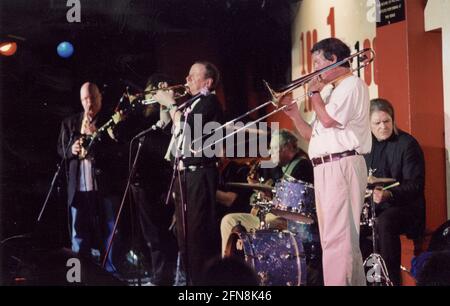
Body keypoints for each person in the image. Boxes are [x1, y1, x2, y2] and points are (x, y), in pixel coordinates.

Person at [284, 38, 371, 285]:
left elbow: (330, 120)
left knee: (338, 239)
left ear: (334, 59)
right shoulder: (333, 90)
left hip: (341, 164)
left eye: (318, 62)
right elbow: (313, 135)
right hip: (326, 166)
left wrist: (313, 94)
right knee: (335, 238)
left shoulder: (351, 85)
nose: (314, 70)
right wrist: (295, 115)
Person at [153, 61, 224, 285]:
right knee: (183, 236)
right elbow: (170, 127)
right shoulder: (192, 103)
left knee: (197, 235)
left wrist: (172, 104)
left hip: (199, 175)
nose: (187, 79)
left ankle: (201, 285)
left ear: (208, 82)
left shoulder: (210, 102)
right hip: (184, 175)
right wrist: (166, 106)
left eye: (193, 75)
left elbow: (190, 130)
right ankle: (191, 282)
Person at [108, 74, 178, 285]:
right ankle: (160, 276)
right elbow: (121, 136)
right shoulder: (141, 117)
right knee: (150, 235)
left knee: (161, 235)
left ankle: (164, 278)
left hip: (159, 181)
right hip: (140, 183)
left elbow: (167, 134)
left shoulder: (164, 116)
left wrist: (166, 101)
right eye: (153, 89)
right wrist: (121, 118)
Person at [57, 82, 125, 273]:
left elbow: (118, 151)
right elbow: (60, 150)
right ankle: (79, 276)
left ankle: (111, 276)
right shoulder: (70, 123)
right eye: (85, 99)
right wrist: (72, 150)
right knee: (78, 235)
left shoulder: (111, 121)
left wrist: (98, 138)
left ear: (100, 98)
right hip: (79, 188)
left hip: (104, 188)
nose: (90, 103)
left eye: (93, 98)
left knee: (111, 232)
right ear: (81, 101)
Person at [220, 129, 314, 256]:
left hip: (288, 222)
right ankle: (228, 269)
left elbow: (294, 208)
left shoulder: (302, 166)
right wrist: (265, 193)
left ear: (286, 148)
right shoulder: (283, 168)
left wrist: (269, 196)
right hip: (274, 215)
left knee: (264, 224)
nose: (270, 152)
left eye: (274, 148)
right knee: (228, 221)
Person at [363, 98, 426, 286]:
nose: (383, 126)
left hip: (407, 209)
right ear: (369, 125)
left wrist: (389, 194)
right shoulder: (367, 147)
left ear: (393, 120)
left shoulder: (407, 144)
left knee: (384, 222)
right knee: (357, 226)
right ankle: (369, 280)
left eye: (387, 121)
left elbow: (415, 185)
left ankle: (392, 281)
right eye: (377, 123)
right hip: (377, 207)